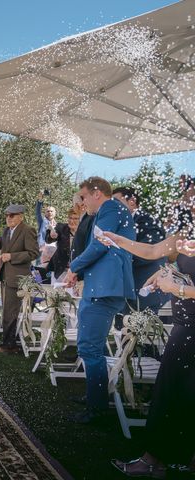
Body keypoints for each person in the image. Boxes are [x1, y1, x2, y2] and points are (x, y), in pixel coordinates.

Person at [103, 232, 195, 478]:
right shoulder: (187, 233)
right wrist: (118, 240)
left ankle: (153, 460)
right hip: (185, 326)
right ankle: (180, 457)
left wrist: (175, 288)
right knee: (183, 393)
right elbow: (154, 251)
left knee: (170, 391)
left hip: (191, 329)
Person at [66, 176, 135, 424]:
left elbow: (100, 245)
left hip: (105, 289)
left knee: (90, 348)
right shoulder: (105, 211)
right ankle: (93, 396)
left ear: (97, 193)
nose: (82, 202)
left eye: (83, 196)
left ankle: (97, 409)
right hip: (100, 287)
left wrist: (73, 268)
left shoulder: (112, 208)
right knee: (89, 346)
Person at [0, 205, 39, 353]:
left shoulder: (28, 230)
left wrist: (12, 257)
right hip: (6, 277)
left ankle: (9, 346)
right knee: (8, 313)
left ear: (20, 216)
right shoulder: (7, 230)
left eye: (12, 215)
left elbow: (33, 253)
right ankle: (10, 343)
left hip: (18, 279)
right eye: (7, 215)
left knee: (10, 313)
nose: (8, 218)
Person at [112, 186, 168, 313]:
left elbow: (152, 252)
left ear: (132, 201)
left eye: (116, 201)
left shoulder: (149, 221)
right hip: (126, 291)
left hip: (146, 289)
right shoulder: (118, 223)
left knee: (148, 331)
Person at [44, 206, 80, 280]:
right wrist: (51, 235)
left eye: (75, 218)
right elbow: (48, 239)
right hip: (60, 270)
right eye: (70, 218)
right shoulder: (61, 228)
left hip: (77, 272)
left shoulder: (85, 231)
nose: (72, 221)